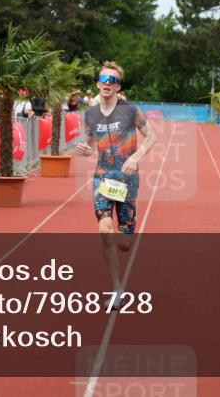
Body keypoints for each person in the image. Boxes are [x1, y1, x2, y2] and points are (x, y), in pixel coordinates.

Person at [75, 61, 157, 298]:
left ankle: (129, 228)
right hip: (102, 177)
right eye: (103, 79)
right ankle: (117, 287)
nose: (107, 84)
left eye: (112, 80)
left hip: (126, 180)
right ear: (98, 83)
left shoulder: (131, 110)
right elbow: (90, 144)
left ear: (118, 86)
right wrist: (86, 150)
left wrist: (136, 156)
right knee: (104, 229)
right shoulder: (90, 114)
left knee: (124, 243)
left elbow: (152, 136)